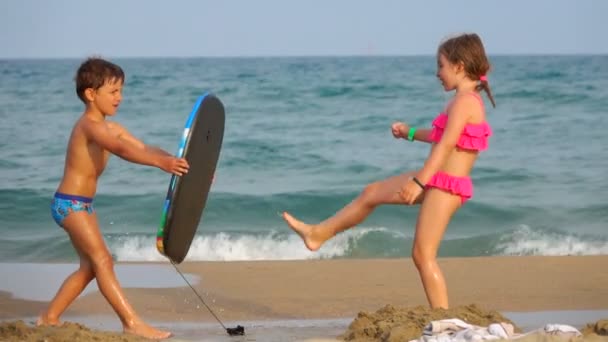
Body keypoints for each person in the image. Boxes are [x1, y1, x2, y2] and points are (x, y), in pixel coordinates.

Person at [283, 33, 496, 309]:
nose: (437, 73)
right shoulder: (462, 100)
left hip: (445, 186)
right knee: (371, 192)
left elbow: (445, 146)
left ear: (459, 66)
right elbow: (437, 135)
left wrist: (419, 182)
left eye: (441, 66)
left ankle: (445, 322)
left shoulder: (465, 102)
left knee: (422, 255)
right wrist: (408, 132)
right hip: (435, 179)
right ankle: (318, 234)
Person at [37, 57, 189, 340]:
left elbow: (141, 146)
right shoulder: (89, 127)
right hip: (69, 204)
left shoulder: (110, 127)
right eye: (113, 91)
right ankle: (131, 322)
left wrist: (177, 162)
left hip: (82, 205)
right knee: (103, 261)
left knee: (89, 268)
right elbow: (122, 150)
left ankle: (49, 317)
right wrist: (160, 165)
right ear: (91, 95)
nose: (120, 98)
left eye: (121, 90)